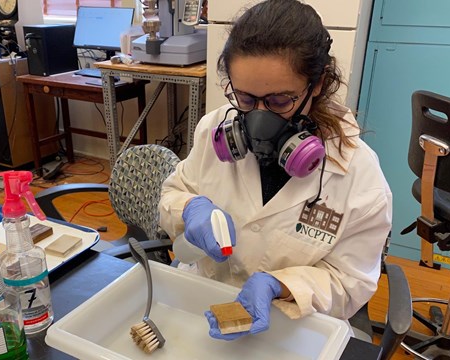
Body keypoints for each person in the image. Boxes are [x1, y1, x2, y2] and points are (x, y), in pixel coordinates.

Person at [158, 0, 392, 340]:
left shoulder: (359, 176)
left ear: (318, 84)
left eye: (280, 101)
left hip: (292, 328)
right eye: (246, 99)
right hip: (203, 301)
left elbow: (349, 281)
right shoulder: (214, 130)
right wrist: (188, 208)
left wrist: (282, 285)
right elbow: (173, 194)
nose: (257, 119)